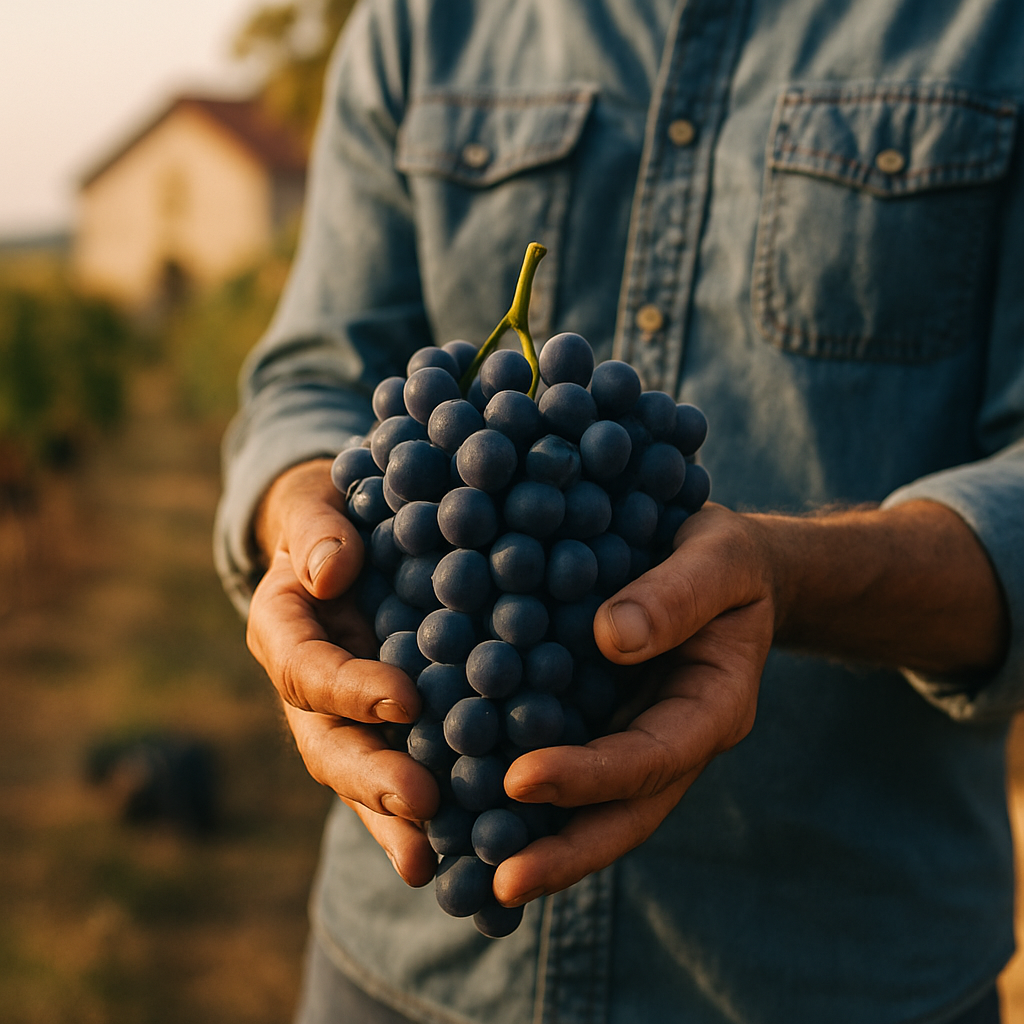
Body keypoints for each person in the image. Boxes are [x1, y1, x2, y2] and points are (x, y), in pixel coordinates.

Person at [214, 1, 1024, 1021]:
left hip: (841, 977)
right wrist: (299, 511)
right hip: (404, 970)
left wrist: (786, 574)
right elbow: (311, 377)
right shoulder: (420, 22)